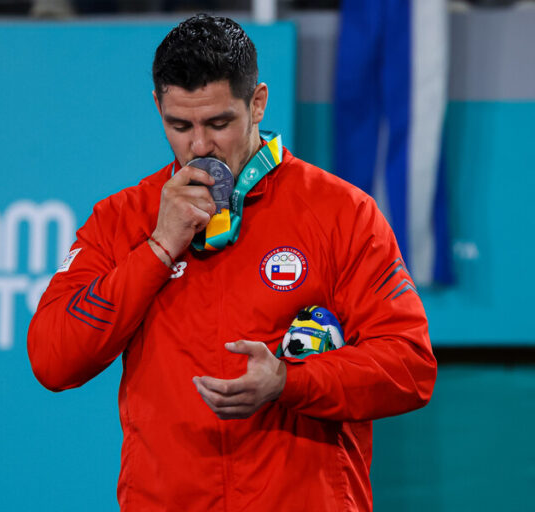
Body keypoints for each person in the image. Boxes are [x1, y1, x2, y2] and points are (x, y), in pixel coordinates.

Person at [28, 13, 436, 511]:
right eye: (179, 125)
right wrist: (159, 248)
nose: (199, 146)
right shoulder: (123, 219)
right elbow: (53, 359)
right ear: (157, 106)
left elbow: (410, 366)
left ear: (257, 103)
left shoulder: (341, 214)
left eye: (219, 123)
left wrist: (291, 383)